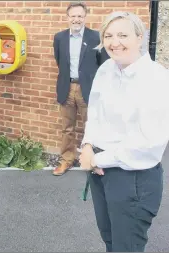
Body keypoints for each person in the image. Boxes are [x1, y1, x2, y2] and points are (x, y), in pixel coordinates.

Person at [79, 11, 169, 252]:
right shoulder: (106, 69)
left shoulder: (157, 78)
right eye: (108, 35)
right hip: (100, 173)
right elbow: (95, 114)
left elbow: (150, 143)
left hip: (133, 178)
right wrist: (88, 145)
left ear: (139, 37)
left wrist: (96, 158)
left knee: (126, 247)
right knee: (110, 241)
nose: (114, 42)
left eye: (122, 35)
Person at [52, 2, 108, 176]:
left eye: (80, 16)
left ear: (85, 17)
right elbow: (59, 60)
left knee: (90, 126)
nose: (76, 19)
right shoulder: (59, 37)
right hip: (67, 87)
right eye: (73, 16)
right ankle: (67, 160)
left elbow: (104, 64)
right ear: (67, 17)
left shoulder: (95, 37)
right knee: (67, 127)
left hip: (88, 89)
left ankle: (92, 161)